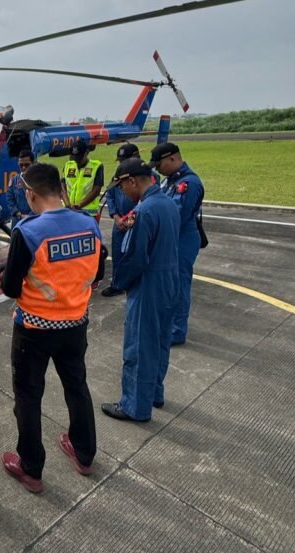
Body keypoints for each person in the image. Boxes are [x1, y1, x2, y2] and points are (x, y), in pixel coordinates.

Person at [1, 163, 101, 492]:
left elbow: (11, 289)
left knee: (28, 397)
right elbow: (97, 273)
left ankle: (31, 468)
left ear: (30, 194)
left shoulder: (28, 232)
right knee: (77, 387)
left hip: (35, 328)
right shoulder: (90, 225)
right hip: (76, 324)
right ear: (61, 189)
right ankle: (84, 454)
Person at [101, 159, 180, 422]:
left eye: (122, 186)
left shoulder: (144, 210)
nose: (122, 192)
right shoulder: (168, 202)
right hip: (170, 278)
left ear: (132, 181)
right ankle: (154, 392)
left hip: (149, 282)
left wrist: (120, 282)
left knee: (139, 346)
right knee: (159, 340)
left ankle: (135, 406)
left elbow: (136, 256)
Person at [150, 142, 205, 346]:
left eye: (159, 165)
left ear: (172, 159)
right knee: (168, 285)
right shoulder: (170, 181)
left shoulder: (188, 184)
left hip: (181, 239)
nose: (157, 169)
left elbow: (177, 217)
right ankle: (168, 325)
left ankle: (177, 330)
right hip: (172, 238)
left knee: (178, 286)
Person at [101, 143, 141, 297]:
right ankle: (118, 284)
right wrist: (116, 217)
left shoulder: (147, 176)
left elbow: (146, 199)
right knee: (118, 254)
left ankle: (135, 283)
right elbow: (110, 195)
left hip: (137, 221)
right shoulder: (118, 176)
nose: (122, 164)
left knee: (136, 253)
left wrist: (132, 218)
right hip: (120, 221)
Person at [61, 138, 103, 217]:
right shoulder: (68, 165)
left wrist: (80, 205)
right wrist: (67, 204)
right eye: (74, 157)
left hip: (88, 213)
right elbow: (62, 186)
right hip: (69, 210)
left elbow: (96, 190)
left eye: (79, 158)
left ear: (86, 153)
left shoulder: (96, 166)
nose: (76, 161)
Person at [6, 150, 35, 228]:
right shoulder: (14, 180)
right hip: (18, 220)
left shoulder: (39, 181)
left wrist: (31, 215)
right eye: (21, 165)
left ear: (33, 164)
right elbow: (10, 199)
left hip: (34, 219)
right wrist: (18, 213)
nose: (23, 167)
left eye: (27, 165)